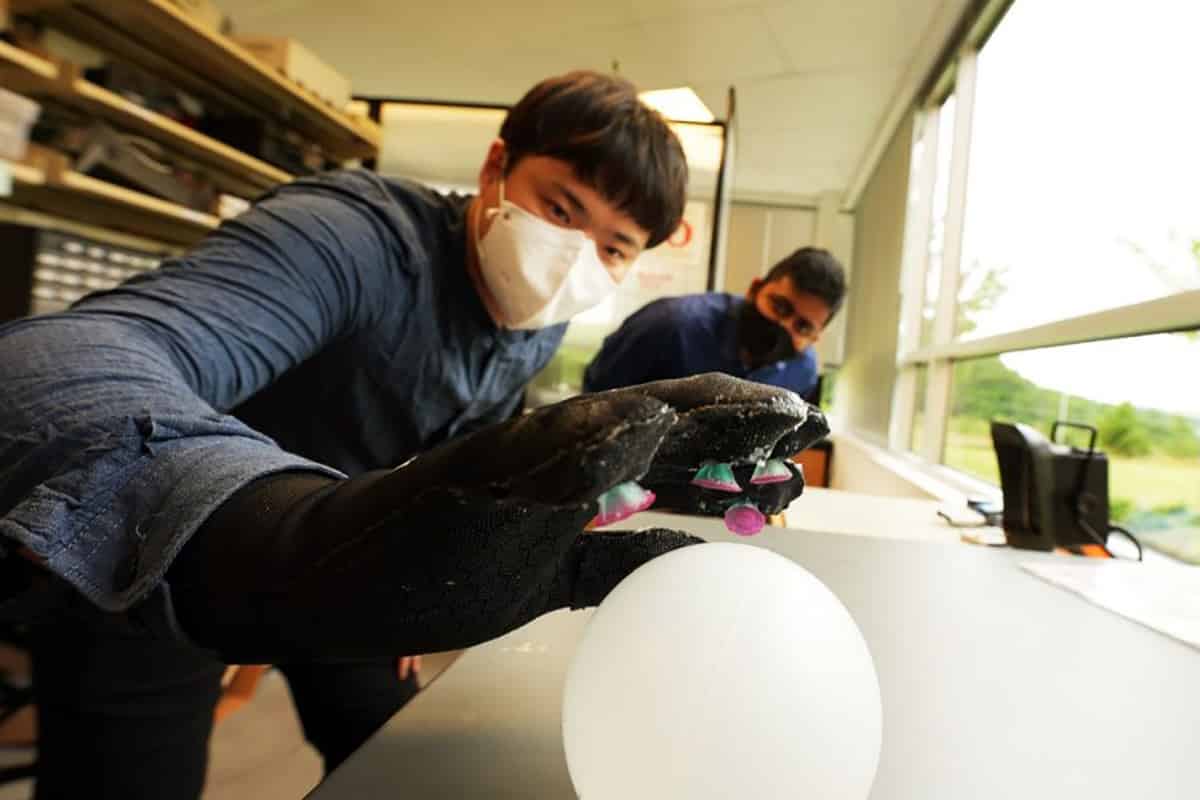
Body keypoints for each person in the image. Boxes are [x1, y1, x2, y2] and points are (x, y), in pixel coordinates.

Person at [0, 70, 824, 799]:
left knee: (405, 755)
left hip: (357, 553)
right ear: (496, 167)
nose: (573, 258)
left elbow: (457, 444)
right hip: (158, 558)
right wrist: (253, 527)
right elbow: (62, 360)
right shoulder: (349, 239)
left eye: (614, 247)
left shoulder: (531, 323)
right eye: (560, 208)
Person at [583, 247, 847, 398]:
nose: (785, 326)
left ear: (815, 338)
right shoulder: (670, 325)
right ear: (755, 289)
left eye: (802, 327)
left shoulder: (802, 371)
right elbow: (594, 400)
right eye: (780, 307)